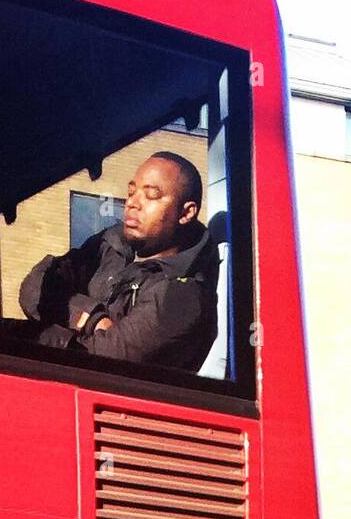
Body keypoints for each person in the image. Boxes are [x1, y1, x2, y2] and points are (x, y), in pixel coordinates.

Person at [18, 151, 220, 372]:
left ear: (186, 212)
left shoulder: (182, 297)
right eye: (131, 191)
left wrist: (18, 336)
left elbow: (98, 362)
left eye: (151, 195)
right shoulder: (111, 245)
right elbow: (35, 286)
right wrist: (92, 319)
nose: (132, 203)